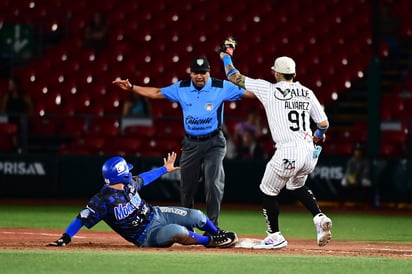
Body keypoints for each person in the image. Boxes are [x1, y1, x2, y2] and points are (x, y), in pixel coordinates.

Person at [112, 56, 255, 226]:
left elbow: (249, 93)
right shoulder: (182, 87)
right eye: (196, 72)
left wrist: (273, 92)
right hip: (191, 143)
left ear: (209, 73)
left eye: (203, 72)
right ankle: (187, 225)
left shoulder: (221, 86)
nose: (200, 76)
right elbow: (157, 92)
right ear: (190, 73)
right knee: (187, 186)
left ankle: (213, 226)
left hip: (214, 143)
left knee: (213, 183)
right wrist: (132, 87)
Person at [217, 39, 332, 249]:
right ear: (294, 74)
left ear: (276, 73)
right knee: (296, 185)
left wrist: (226, 55)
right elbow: (324, 123)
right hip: (309, 152)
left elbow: (233, 76)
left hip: (288, 151)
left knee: (268, 190)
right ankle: (318, 217)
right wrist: (318, 134)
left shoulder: (268, 88)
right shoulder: (307, 92)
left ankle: (274, 236)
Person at [49, 152, 238, 248]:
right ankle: (209, 241)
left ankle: (218, 233)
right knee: (178, 232)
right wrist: (65, 237)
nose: (130, 172)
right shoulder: (102, 200)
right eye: (127, 170)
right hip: (146, 236)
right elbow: (81, 218)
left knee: (196, 216)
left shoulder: (129, 183)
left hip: (157, 213)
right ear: (119, 175)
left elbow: (145, 177)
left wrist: (164, 169)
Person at [0, 76, 33, 152]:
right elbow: (2, 111)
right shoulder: (7, 97)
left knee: (21, 123)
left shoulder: (24, 97)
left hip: (20, 121)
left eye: (11, 84)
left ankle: (18, 147)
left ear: (16, 85)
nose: (9, 86)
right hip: (9, 120)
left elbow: (31, 111)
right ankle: (16, 147)